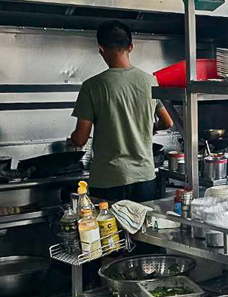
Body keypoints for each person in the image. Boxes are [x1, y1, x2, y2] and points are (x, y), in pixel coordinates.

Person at [70, 20, 173, 203]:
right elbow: (168, 122)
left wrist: (72, 139)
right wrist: (149, 127)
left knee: (109, 231)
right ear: (131, 47)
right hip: (144, 177)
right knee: (141, 230)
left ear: (101, 48)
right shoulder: (150, 81)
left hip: (108, 180)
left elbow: (80, 139)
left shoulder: (92, 86)